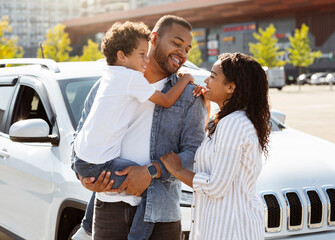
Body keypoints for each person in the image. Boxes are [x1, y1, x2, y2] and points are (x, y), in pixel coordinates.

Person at [71, 15, 207, 240]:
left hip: (160, 214)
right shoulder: (108, 83)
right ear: (154, 38)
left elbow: (194, 154)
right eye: (176, 43)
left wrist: (152, 171)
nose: (183, 53)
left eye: (188, 49)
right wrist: (82, 177)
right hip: (107, 209)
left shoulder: (189, 96)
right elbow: (79, 135)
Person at [160, 52, 271, 240]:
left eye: (212, 76)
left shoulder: (233, 123)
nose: (206, 81)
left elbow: (215, 186)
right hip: (226, 227)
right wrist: (207, 107)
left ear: (231, 87)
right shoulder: (232, 121)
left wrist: (176, 170)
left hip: (230, 231)